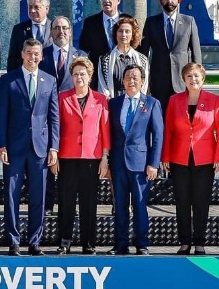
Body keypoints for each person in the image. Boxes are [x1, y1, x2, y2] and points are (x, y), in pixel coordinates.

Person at [0, 39, 60, 256]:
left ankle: (35, 241)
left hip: (40, 148)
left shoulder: (49, 80)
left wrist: (54, 147)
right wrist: (1, 144)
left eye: (37, 54)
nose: (33, 57)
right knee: (11, 194)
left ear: (42, 56)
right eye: (29, 53)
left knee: (38, 196)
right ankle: (13, 241)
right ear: (22, 54)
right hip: (14, 146)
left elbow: (54, 117)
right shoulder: (8, 80)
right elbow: (1, 115)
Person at [52, 57, 109, 255]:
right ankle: (64, 241)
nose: (79, 77)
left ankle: (88, 243)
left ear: (90, 75)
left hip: (91, 158)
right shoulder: (62, 97)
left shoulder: (100, 99)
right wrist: (55, 154)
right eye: (75, 74)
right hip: (67, 157)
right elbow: (55, 128)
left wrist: (104, 157)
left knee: (89, 202)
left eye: (82, 74)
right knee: (66, 201)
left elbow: (105, 130)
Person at [163, 62, 219, 256]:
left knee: (201, 202)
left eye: (196, 76)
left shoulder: (214, 100)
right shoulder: (174, 100)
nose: (193, 79)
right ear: (183, 79)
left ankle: (200, 242)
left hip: (205, 159)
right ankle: (185, 242)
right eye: (189, 76)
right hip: (180, 158)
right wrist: (166, 156)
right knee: (182, 201)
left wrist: (218, 157)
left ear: (203, 79)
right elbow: (168, 130)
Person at [107, 65, 163, 255]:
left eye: (135, 77)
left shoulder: (152, 103)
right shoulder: (113, 103)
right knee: (120, 206)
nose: (131, 81)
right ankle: (120, 244)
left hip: (141, 163)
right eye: (128, 77)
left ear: (142, 81)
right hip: (118, 163)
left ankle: (142, 244)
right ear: (123, 81)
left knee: (140, 205)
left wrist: (154, 163)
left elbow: (157, 136)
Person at [139, 0, 203, 111]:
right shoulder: (151, 22)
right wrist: (142, 77)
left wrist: (197, 77)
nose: (169, 1)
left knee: (182, 118)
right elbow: (143, 53)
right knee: (160, 119)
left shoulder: (188, 21)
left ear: (178, 0)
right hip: (158, 80)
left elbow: (196, 53)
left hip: (182, 80)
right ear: (161, 1)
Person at [77, 0, 128, 82]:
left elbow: (135, 46)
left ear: (118, 0)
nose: (106, 1)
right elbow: (83, 48)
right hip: (98, 77)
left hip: (123, 75)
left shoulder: (128, 20)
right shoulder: (90, 22)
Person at [98, 16, 148, 99]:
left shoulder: (142, 59)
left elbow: (144, 85)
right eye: (120, 31)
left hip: (135, 103)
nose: (123, 34)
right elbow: (102, 87)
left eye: (127, 31)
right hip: (112, 103)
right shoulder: (104, 59)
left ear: (132, 36)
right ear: (116, 34)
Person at [6, 0, 53, 72]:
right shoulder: (19, 29)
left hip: (49, 78)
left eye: (36, 7)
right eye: (30, 7)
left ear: (47, 8)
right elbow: (12, 58)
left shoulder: (55, 28)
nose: (32, 10)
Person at [40, 16, 85, 92]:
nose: (61, 32)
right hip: (48, 102)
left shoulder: (81, 56)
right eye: (57, 28)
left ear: (70, 32)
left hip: (72, 101)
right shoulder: (42, 55)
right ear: (51, 32)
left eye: (64, 28)